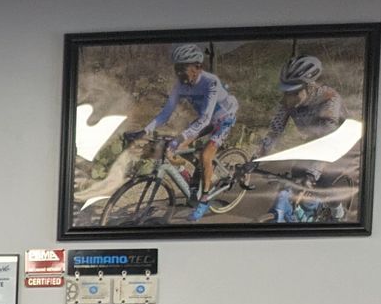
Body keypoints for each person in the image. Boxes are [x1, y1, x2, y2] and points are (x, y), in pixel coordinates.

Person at [126, 42, 239, 220]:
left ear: (197, 67)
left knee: (206, 155)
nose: (178, 73)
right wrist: (144, 131)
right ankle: (195, 177)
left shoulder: (211, 82)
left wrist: (181, 137)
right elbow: (165, 113)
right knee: (174, 149)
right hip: (206, 119)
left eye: (183, 68)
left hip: (224, 117)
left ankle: (204, 198)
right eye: (176, 68)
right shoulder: (180, 85)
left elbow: (205, 119)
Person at [254, 55, 349, 217]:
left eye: (293, 92)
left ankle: (337, 212)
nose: (287, 98)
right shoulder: (289, 101)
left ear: (309, 87)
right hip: (314, 140)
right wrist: (256, 159)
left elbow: (327, 141)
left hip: (338, 142)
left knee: (324, 183)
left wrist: (312, 174)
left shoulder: (330, 100)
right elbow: (275, 130)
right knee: (295, 176)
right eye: (285, 92)